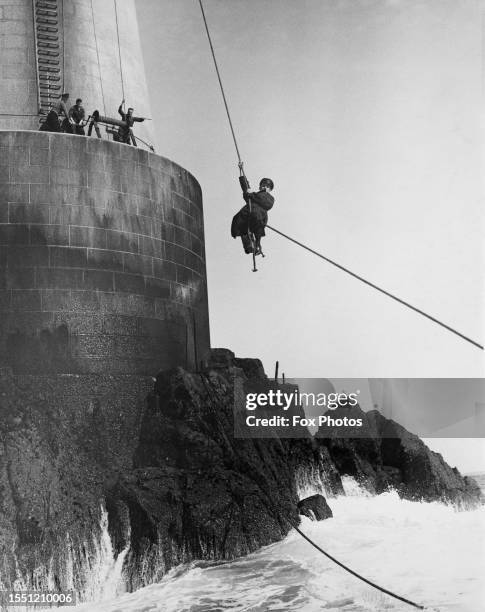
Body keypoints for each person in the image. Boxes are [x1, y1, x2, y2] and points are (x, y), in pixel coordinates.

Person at [231, 162, 275, 254]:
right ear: (260, 186)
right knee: (241, 226)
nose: (265, 187)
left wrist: (251, 194)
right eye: (263, 185)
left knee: (256, 230)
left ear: (270, 189)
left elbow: (266, 204)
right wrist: (241, 171)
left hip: (258, 217)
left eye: (267, 186)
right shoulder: (254, 196)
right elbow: (246, 188)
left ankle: (257, 246)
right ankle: (249, 246)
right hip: (247, 214)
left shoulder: (269, 197)